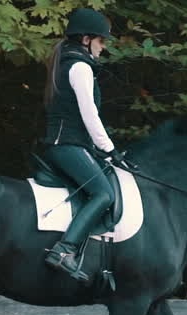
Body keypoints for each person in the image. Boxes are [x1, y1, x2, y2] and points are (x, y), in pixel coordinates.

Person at [41, 7, 136, 283]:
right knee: (104, 194)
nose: (104, 48)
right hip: (68, 145)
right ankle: (64, 249)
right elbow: (89, 114)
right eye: (101, 41)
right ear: (86, 39)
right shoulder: (80, 67)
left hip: (67, 144)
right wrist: (109, 149)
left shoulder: (67, 62)